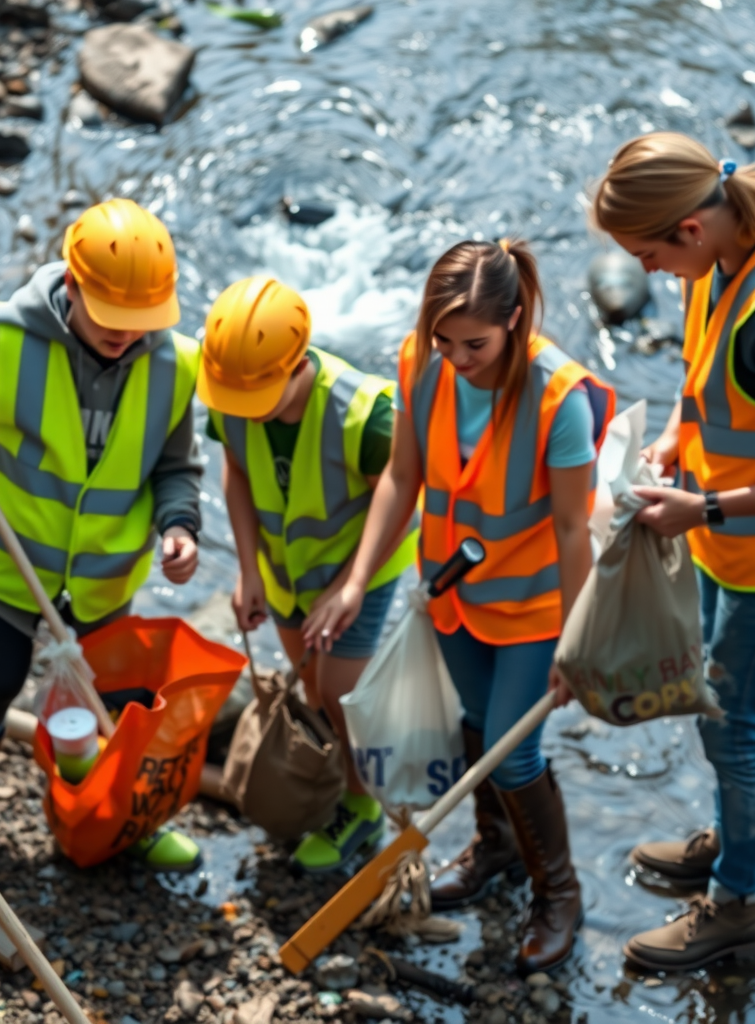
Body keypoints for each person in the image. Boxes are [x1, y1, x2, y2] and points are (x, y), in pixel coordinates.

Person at [307, 240, 614, 973]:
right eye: (443, 340)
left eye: (473, 343)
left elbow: (575, 532)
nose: (456, 357)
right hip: (455, 600)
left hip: (536, 610)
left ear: (515, 319)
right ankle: (497, 851)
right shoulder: (423, 365)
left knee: (515, 751)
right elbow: (401, 476)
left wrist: (579, 643)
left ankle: (559, 894)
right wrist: (355, 581)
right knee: (478, 729)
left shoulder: (557, 399)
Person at [0, 199, 204, 872]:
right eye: (111, 318)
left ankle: (112, 809)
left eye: (141, 322)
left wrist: (180, 525)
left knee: (113, 696)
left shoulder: (173, 367)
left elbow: (175, 468)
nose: (125, 335)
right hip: (5, 559)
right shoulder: (9, 342)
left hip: (104, 577)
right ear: (72, 289)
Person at [591, 132, 755, 971]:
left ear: (688, 228)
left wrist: (706, 505)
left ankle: (739, 904)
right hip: (727, 540)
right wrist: (678, 444)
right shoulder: (723, 250)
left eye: (646, 254)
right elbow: (704, 377)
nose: (645, 272)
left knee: (737, 725)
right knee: (720, 711)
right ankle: (740, 841)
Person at [197, 276, 417, 872]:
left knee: (342, 693)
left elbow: (398, 504)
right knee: (312, 684)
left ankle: (364, 807)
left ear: (297, 368)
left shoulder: (366, 416)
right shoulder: (235, 394)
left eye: (254, 399)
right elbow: (236, 474)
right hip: (288, 568)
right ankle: (338, 783)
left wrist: (351, 584)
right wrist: (249, 572)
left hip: (358, 567)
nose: (240, 411)